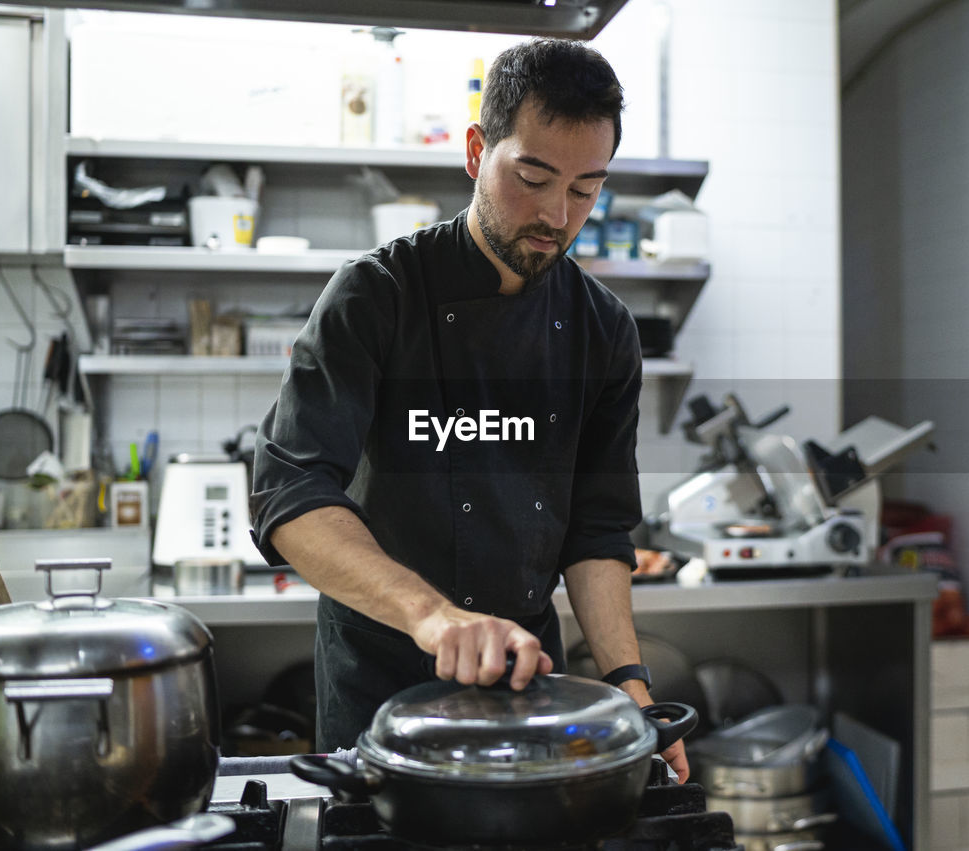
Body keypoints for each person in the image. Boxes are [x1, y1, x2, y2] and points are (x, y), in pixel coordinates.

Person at [250, 37, 687, 781]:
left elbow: (597, 528)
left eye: (586, 189)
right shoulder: (375, 295)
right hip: (380, 689)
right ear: (476, 150)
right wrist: (435, 616)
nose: (557, 214)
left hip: (529, 688)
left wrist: (627, 686)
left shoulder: (603, 330)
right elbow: (289, 495)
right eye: (534, 177)